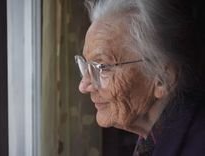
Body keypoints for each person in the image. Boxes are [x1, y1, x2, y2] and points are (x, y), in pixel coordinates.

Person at [75, 0, 205, 155]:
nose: (83, 86)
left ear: (163, 78)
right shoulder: (151, 141)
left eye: (102, 67)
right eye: (86, 65)